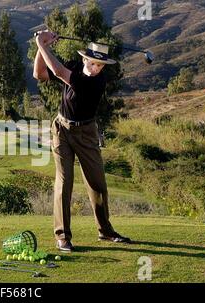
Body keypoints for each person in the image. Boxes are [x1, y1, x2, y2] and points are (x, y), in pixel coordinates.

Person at [33, 30, 131, 252]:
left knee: (97, 183)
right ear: (84, 59)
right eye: (93, 63)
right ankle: (62, 236)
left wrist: (42, 44)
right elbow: (39, 75)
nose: (97, 68)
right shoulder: (75, 67)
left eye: (101, 65)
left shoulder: (96, 83)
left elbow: (58, 72)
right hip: (61, 131)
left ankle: (105, 231)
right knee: (64, 183)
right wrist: (41, 48)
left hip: (86, 132)